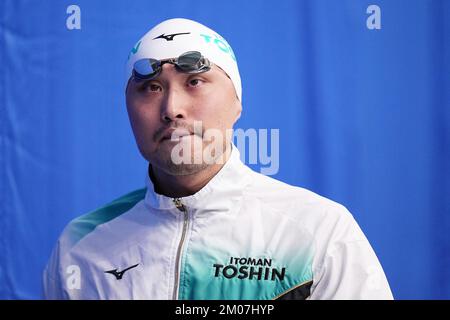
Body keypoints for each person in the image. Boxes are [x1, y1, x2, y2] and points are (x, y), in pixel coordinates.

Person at [43, 18, 393, 300]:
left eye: (195, 81)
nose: (171, 109)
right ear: (127, 108)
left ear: (237, 102)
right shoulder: (81, 247)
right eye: (151, 88)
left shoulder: (318, 234)